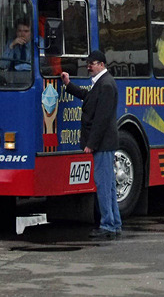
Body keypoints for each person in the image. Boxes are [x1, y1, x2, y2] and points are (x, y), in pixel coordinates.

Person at [61, 50, 122, 239]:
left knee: (103, 185)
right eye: (88, 63)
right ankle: (114, 223)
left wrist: (91, 143)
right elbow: (88, 98)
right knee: (109, 185)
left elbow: (102, 119)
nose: (89, 66)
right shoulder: (102, 84)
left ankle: (108, 225)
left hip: (102, 144)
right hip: (104, 143)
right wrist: (68, 85)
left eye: (93, 63)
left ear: (102, 65)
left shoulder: (106, 85)